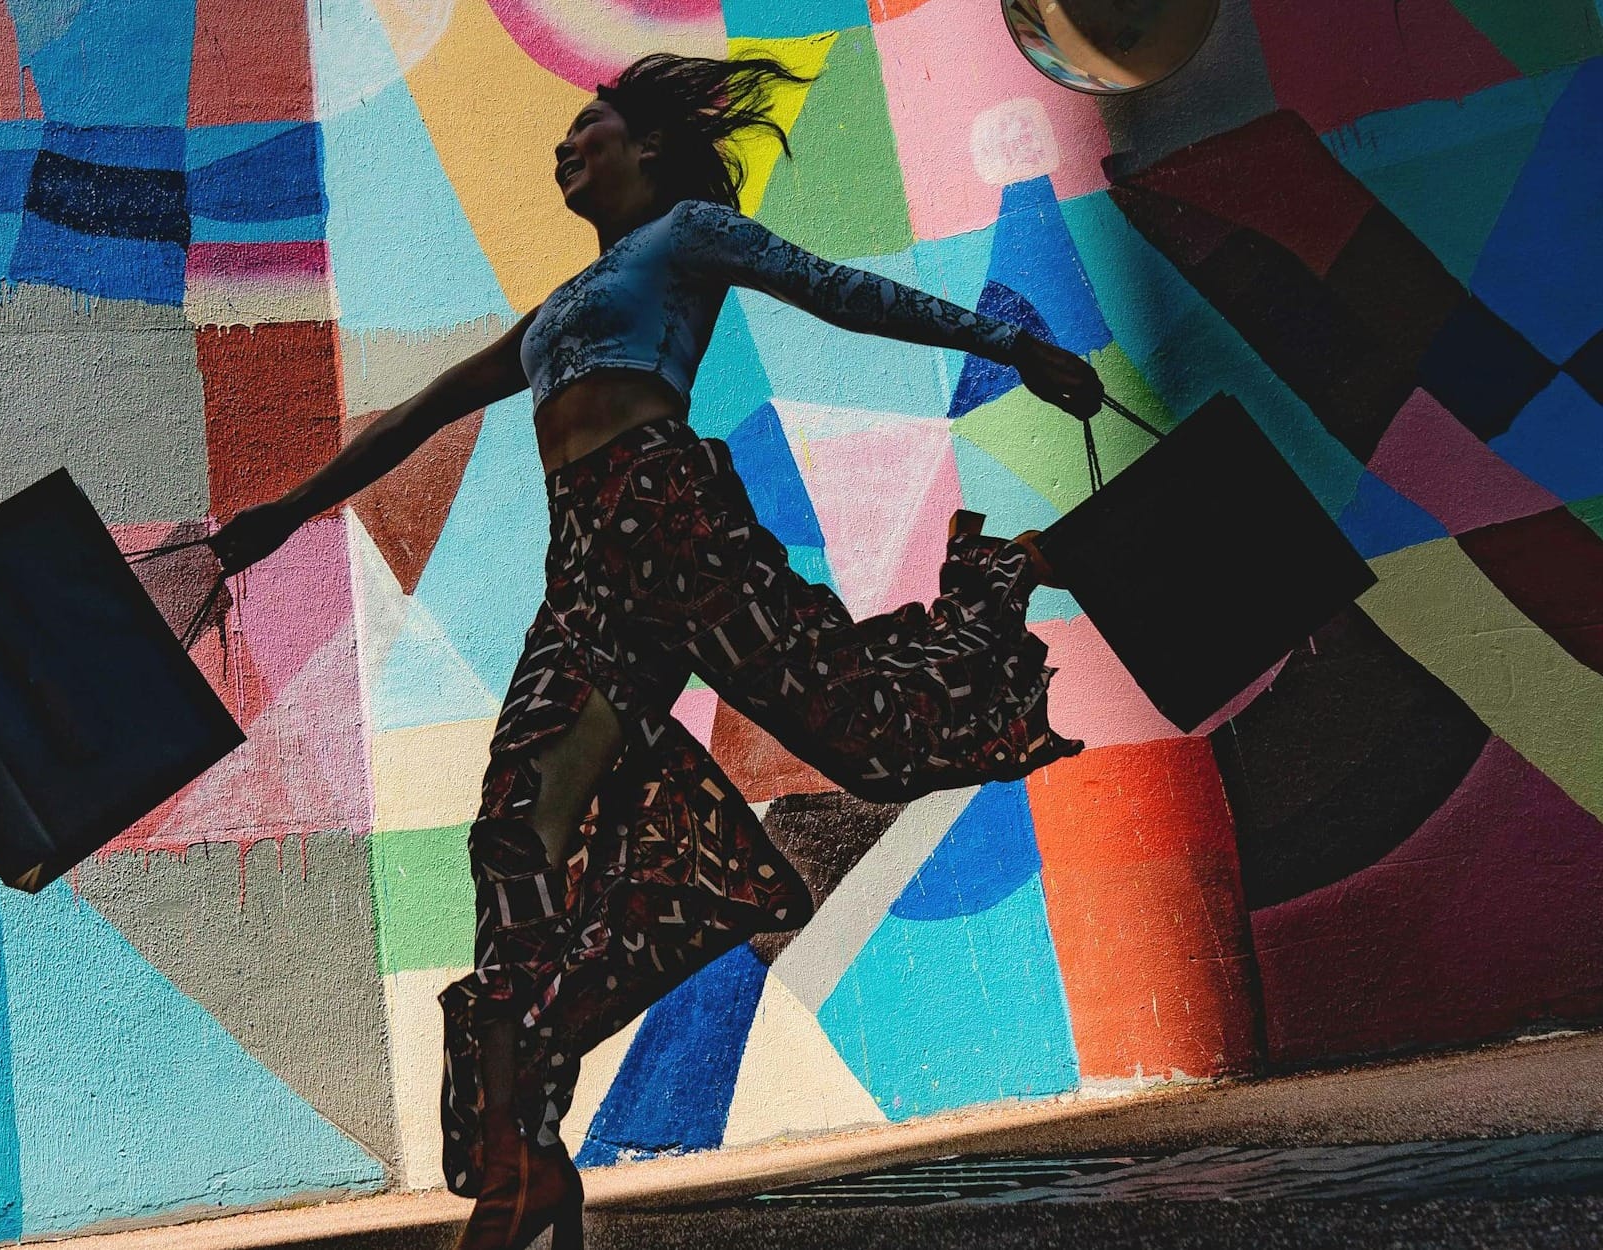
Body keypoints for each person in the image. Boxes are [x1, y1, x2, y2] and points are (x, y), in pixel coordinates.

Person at [209, 52, 1099, 1250]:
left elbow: (837, 291)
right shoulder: (548, 318)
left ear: (648, 151)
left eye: (586, 129)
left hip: (670, 516)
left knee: (872, 737)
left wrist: (1012, 345)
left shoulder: (685, 235)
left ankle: (1005, 571)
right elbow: (419, 411)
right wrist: (284, 510)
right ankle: (525, 1159)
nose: (564, 149)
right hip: (581, 562)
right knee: (512, 834)